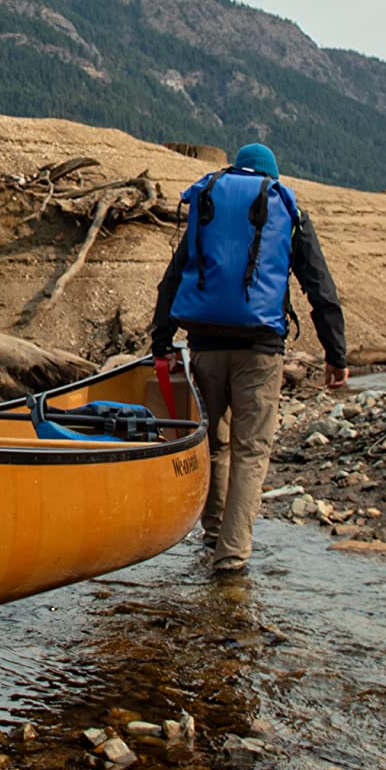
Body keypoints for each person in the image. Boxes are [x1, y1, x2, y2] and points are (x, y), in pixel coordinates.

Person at [149, 141, 346, 576]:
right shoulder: (285, 208)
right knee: (251, 450)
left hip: (203, 345)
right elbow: (320, 287)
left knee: (214, 442)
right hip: (260, 350)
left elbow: (174, 277)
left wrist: (162, 342)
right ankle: (232, 557)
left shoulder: (211, 204)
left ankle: (214, 532)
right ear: (270, 175)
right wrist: (337, 354)